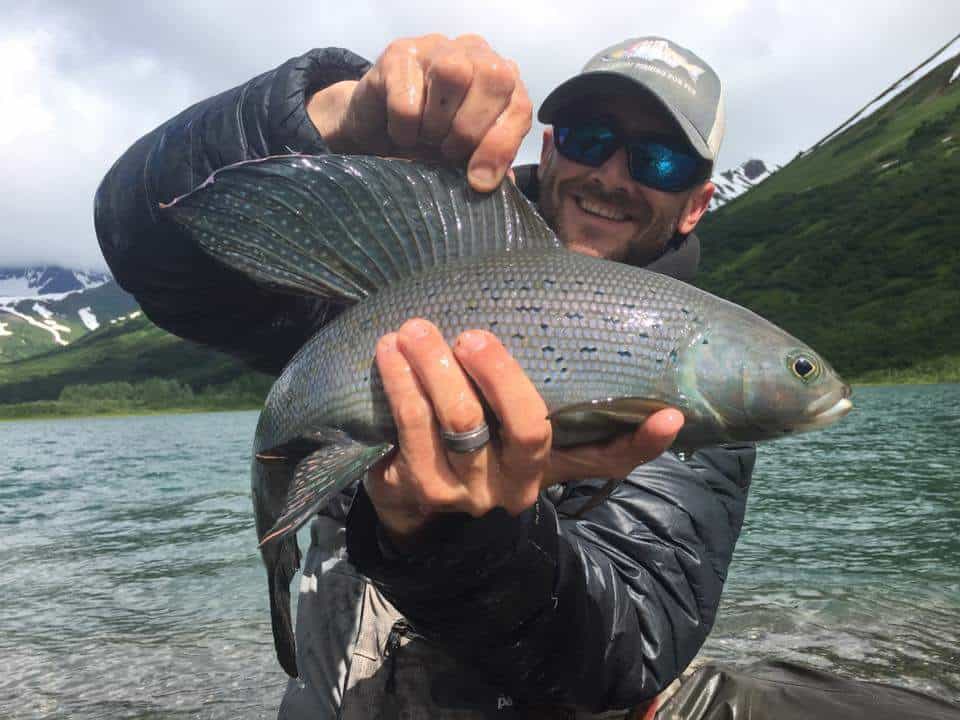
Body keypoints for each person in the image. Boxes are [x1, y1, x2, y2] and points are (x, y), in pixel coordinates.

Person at [95, 35, 754, 718]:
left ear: (696, 203)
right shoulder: (394, 278)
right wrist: (327, 121)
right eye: (592, 138)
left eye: (660, 159)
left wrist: (458, 534)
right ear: (552, 147)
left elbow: (631, 645)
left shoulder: (701, 398)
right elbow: (145, 241)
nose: (614, 175)